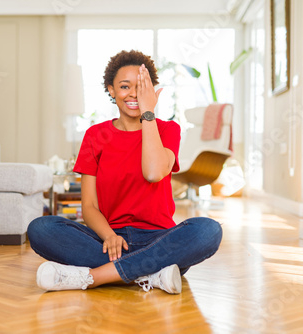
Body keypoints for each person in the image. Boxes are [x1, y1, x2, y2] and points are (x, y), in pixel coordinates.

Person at [28, 50, 222, 294]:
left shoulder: (168, 130)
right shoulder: (94, 136)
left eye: (141, 87)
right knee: (41, 229)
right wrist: (109, 236)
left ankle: (94, 276)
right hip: (110, 241)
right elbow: (88, 207)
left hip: (159, 240)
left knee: (208, 230)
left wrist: (147, 113)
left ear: (151, 90)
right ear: (111, 90)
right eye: (124, 86)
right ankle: (152, 275)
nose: (133, 94)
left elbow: (153, 173)